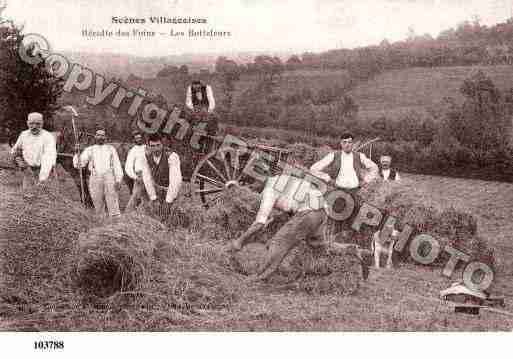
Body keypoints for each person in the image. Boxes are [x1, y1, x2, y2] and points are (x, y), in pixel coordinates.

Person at [230, 173, 370, 282]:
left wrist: (239, 242)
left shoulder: (268, 191)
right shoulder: (279, 178)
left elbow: (259, 223)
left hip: (307, 214)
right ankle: (354, 250)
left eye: (251, 187)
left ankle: (258, 277)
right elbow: (289, 203)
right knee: (319, 246)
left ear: (257, 185)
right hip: (322, 211)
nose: (252, 191)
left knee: (278, 242)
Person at [73, 129, 124, 217]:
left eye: (102, 135)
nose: (100, 137)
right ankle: (102, 223)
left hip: (109, 177)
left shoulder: (111, 149)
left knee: (112, 200)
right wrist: (77, 153)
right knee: (97, 201)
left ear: (105, 137)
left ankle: (116, 222)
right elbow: (79, 164)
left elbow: (117, 165)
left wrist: (118, 179)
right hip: (95, 177)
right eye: (98, 135)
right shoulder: (90, 149)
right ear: (95, 137)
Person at [129, 133, 182, 215]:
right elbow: (147, 178)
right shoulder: (145, 157)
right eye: (152, 146)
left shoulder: (172, 156)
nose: (156, 148)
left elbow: (175, 181)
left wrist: (168, 201)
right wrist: (154, 198)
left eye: (158, 145)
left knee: (172, 214)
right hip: (157, 187)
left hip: (170, 188)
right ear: (148, 146)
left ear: (162, 144)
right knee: (152, 212)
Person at [310, 132, 378, 193]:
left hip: (355, 191)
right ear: (341, 143)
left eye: (349, 142)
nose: (347, 145)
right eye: (344, 142)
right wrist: (328, 179)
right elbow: (314, 169)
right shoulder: (333, 155)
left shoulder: (360, 156)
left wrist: (365, 181)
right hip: (337, 191)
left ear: (353, 144)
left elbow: (375, 168)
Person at [10, 112, 57, 192]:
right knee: (28, 196)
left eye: (38, 124)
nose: (34, 126)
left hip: (45, 171)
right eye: (31, 123)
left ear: (42, 123)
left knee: (45, 198)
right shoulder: (24, 134)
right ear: (27, 123)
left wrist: (42, 179)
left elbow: (48, 158)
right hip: (28, 171)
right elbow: (15, 150)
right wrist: (19, 161)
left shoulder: (48, 137)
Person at [185, 80, 218, 153]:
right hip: (196, 111)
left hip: (206, 111)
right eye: (194, 86)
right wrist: (194, 109)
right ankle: (194, 147)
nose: (196, 88)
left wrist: (207, 111)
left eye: (197, 86)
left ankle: (207, 150)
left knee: (211, 121)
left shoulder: (207, 89)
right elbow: (188, 102)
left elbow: (211, 101)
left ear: (200, 85)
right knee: (192, 125)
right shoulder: (190, 89)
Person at [124, 130, 146, 210]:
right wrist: (135, 177)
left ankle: (143, 212)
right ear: (134, 140)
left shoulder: (147, 147)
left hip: (149, 173)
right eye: (137, 138)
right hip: (139, 175)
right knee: (136, 195)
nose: (139, 140)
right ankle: (128, 213)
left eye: (140, 138)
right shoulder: (133, 150)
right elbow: (128, 166)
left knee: (149, 195)